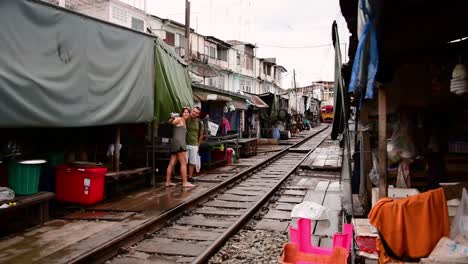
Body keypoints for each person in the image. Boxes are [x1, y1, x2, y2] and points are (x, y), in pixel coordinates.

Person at [165, 107, 195, 188]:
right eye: (185, 112)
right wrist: (172, 118)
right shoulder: (179, 119)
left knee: (172, 163)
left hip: (176, 143)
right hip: (179, 144)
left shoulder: (184, 121)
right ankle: (185, 182)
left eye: (187, 112)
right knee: (183, 163)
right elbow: (171, 122)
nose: (186, 114)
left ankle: (168, 182)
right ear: (182, 113)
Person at [185, 106, 204, 182]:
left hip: (194, 144)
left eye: (196, 113)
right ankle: (184, 176)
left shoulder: (199, 122)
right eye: (194, 111)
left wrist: (198, 145)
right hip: (185, 143)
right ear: (191, 111)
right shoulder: (186, 118)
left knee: (192, 162)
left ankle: (190, 176)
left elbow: (201, 135)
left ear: (198, 115)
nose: (194, 113)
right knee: (184, 162)